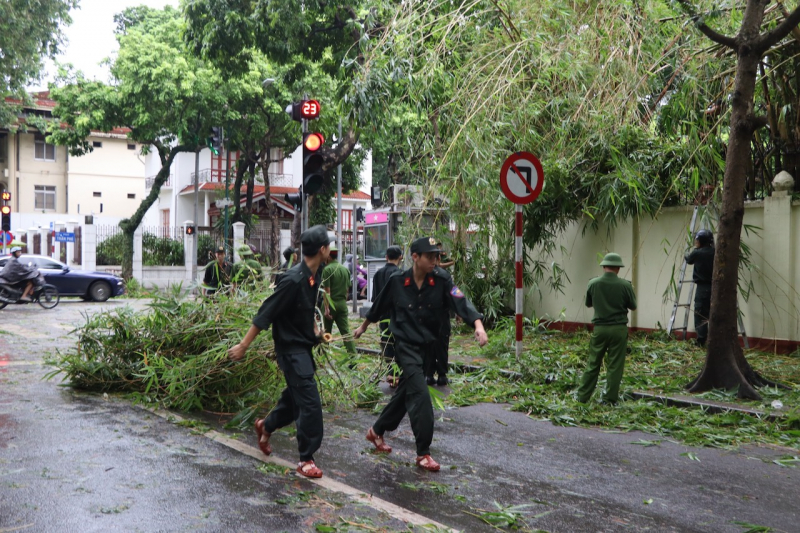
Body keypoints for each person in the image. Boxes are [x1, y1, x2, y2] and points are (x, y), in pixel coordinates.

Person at [353, 237, 488, 472]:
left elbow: (461, 301)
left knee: (406, 391)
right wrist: (362, 327)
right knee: (421, 396)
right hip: (404, 345)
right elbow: (379, 305)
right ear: (415, 257)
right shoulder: (397, 281)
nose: (435, 261)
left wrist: (478, 325)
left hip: (428, 347)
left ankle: (375, 431)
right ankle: (423, 453)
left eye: (437, 256)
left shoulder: (441, 280)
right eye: (430, 256)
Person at [228, 225, 331, 479]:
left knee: (295, 399)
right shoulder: (293, 279)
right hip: (290, 351)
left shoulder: (314, 275)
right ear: (322, 250)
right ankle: (305, 459)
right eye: (330, 246)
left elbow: (306, 310)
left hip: (303, 347)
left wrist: (317, 331)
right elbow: (267, 312)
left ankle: (266, 425)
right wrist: (243, 345)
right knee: (310, 403)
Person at [576, 252, 637, 404]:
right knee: (615, 365)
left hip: (600, 329)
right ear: (618, 268)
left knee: (593, 363)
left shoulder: (593, 283)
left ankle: (583, 397)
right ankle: (609, 399)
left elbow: (588, 303)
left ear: (604, 266)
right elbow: (633, 306)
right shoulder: (625, 285)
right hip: (618, 329)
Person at [371, 245, 403, 386]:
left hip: (383, 314)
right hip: (397, 316)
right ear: (400, 257)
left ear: (386, 257)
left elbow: (375, 298)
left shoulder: (378, 274)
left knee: (387, 343)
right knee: (399, 343)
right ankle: (398, 374)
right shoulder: (400, 274)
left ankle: (391, 373)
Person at [321, 243, 355, 354]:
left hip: (330, 304)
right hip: (342, 304)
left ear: (329, 257)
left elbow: (327, 292)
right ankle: (353, 357)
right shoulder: (345, 270)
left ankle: (324, 357)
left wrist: (326, 308)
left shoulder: (327, 270)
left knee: (326, 332)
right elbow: (347, 291)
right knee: (346, 332)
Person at [685, 229, 714, 347]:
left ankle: (701, 341)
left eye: (697, 240)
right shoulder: (715, 252)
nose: (695, 242)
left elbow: (688, 259)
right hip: (715, 287)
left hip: (702, 288)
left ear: (701, 240)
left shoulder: (697, 253)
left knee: (700, 313)